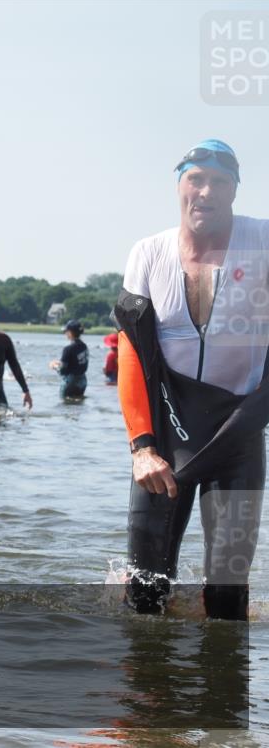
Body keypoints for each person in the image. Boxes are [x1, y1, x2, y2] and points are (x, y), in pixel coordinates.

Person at [115, 139, 268, 620]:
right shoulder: (148, 252)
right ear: (179, 185)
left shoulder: (263, 243)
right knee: (145, 593)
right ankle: (149, 688)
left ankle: (220, 692)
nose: (206, 191)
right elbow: (131, 353)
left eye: (220, 182)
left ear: (235, 190)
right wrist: (141, 447)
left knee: (226, 596)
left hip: (236, 435)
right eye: (195, 179)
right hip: (164, 438)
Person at [49, 319, 89, 398]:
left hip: (70, 382)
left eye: (66, 331)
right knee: (78, 405)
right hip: (83, 381)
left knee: (66, 405)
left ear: (70, 333)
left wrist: (54, 366)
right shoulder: (84, 346)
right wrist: (59, 362)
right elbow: (77, 363)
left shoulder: (68, 349)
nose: (65, 334)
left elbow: (62, 371)